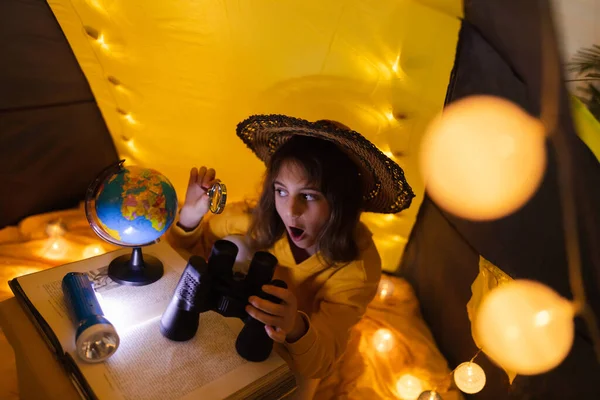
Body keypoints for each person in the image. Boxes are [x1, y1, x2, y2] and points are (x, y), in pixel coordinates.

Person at [167, 114, 414, 397]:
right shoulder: (253, 220)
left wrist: (294, 326)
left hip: (294, 350)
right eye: (281, 191)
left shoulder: (358, 268)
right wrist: (189, 219)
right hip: (234, 325)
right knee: (237, 245)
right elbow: (184, 266)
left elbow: (321, 358)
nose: (291, 210)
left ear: (341, 202)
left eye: (308, 196)